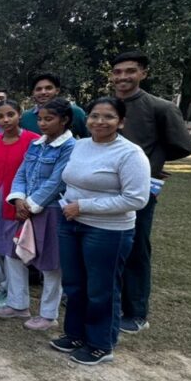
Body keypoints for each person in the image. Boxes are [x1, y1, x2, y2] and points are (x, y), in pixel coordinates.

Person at [54, 97, 150, 365]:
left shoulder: (130, 154)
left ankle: (100, 343)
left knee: (101, 289)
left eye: (108, 117)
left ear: (121, 122)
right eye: (95, 115)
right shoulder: (81, 145)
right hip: (71, 222)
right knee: (74, 285)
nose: (100, 121)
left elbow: (136, 199)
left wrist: (84, 206)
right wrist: (71, 205)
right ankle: (75, 334)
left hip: (107, 230)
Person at [111, 51, 191, 333]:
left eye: (130, 71)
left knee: (136, 248)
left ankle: (136, 312)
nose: (123, 77)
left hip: (139, 189)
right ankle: (110, 301)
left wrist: (152, 165)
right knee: (107, 245)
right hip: (104, 187)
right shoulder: (107, 107)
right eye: (118, 72)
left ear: (143, 73)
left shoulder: (160, 107)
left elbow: (180, 146)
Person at [0, 98, 76, 330]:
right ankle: (17, 304)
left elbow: (58, 181)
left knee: (51, 263)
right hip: (25, 209)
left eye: (49, 119)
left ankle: (48, 315)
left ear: (64, 120)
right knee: (14, 254)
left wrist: (30, 205)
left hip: (50, 211)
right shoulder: (36, 144)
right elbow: (21, 173)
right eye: (40, 119)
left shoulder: (70, 147)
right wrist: (18, 199)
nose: (42, 123)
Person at [0, 100, 41, 309]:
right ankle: (1, 287)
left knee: (12, 249)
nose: (5, 120)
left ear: (19, 114)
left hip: (17, 203)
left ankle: (14, 293)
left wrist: (28, 202)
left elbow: (35, 175)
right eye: (0, 116)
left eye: (10, 114)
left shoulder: (34, 141)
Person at [21, 73, 88, 138]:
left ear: (57, 91)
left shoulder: (75, 112)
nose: (43, 92)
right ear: (33, 92)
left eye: (48, 88)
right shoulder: (25, 117)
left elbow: (90, 139)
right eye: (39, 89)